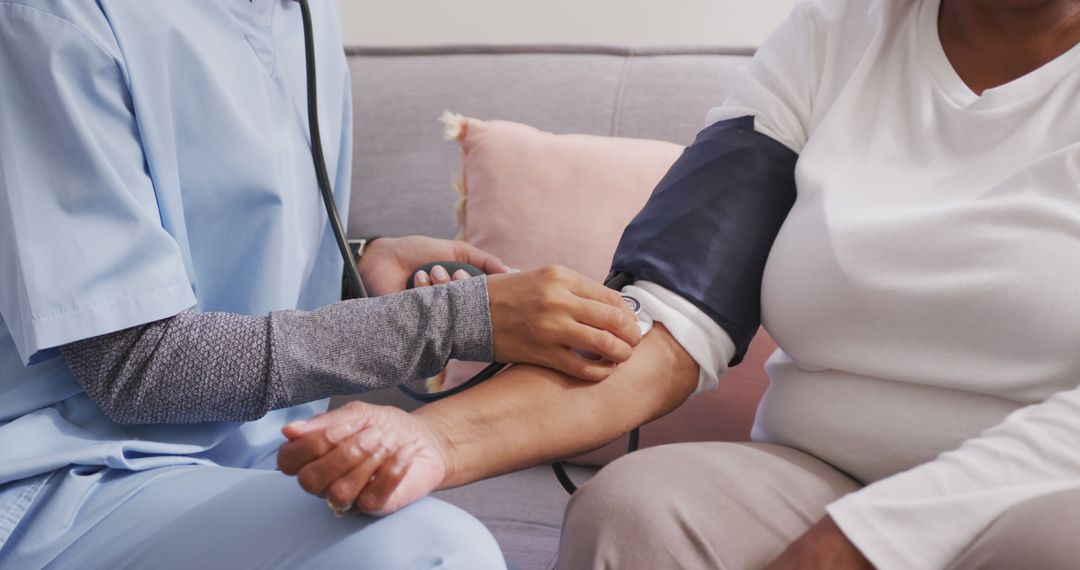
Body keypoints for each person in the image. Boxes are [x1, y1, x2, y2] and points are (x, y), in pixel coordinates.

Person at [278, 0, 1080, 568]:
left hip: (1040, 494)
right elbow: (665, 319)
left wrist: (873, 540)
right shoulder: (832, 36)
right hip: (818, 470)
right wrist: (431, 439)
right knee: (639, 510)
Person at [0, 1, 644, 568]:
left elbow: (203, 250)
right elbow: (131, 366)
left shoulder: (301, 15)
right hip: (63, 480)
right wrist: (453, 321)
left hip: (258, 458)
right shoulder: (53, 19)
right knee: (434, 556)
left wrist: (354, 268)